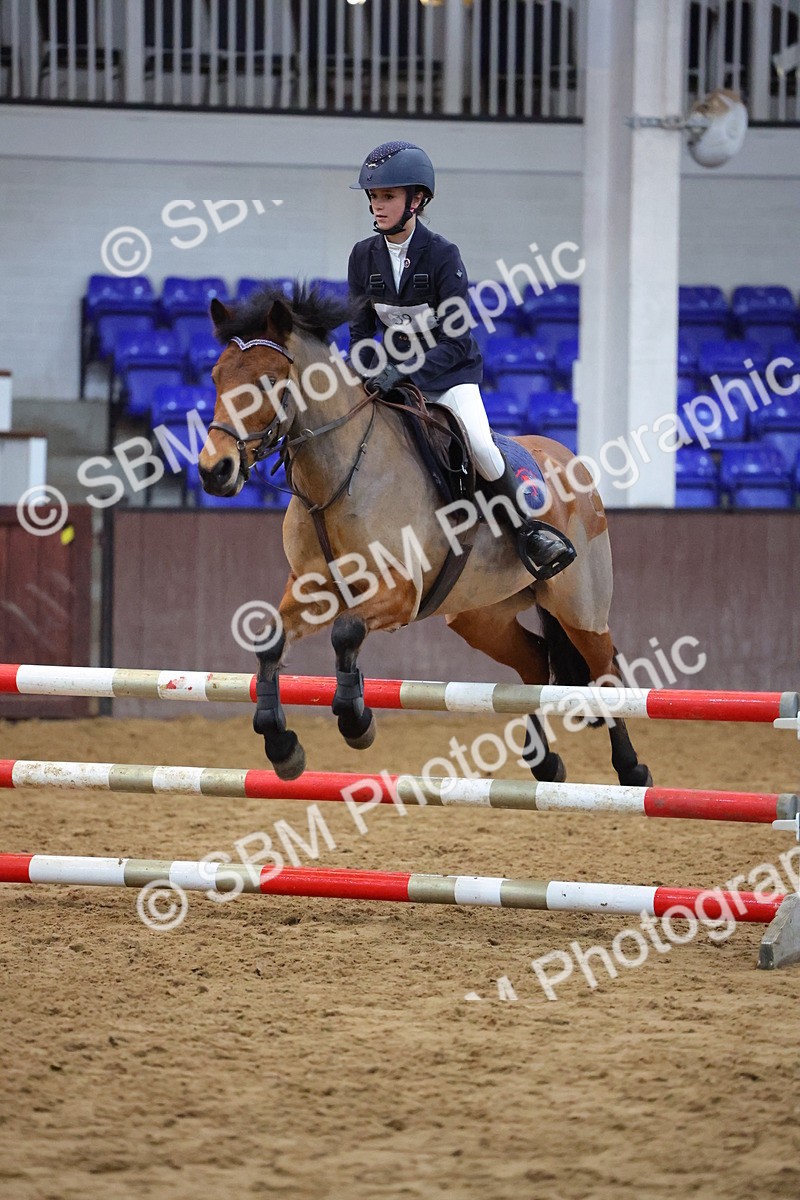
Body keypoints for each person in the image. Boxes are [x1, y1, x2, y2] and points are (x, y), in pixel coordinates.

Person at [346, 140, 575, 582]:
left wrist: (404, 372)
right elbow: (360, 331)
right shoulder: (363, 256)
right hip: (392, 378)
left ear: (417, 200)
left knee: (482, 446)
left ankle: (528, 532)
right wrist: (369, 368)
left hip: (449, 375)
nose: (378, 205)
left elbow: (454, 340)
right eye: (374, 196)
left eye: (388, 196)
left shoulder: (442, 256)